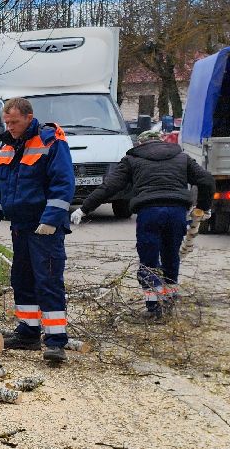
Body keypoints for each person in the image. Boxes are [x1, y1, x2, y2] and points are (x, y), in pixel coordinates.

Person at [72, 127, 214, 318]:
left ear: (140, 144)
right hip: (176, 211)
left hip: (150, 212)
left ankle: (154, 308)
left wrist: (84, 208)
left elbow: (110, 186)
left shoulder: (132, 159)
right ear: (162, 141)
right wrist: (203, 207)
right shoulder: (182, 157)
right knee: (171, 256)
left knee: (149, 261)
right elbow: (206, 179)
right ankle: (169, 302)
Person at [0, 97, 75, 365]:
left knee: (48, 281)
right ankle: (28, 333)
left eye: (14, 122)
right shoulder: (8, 144)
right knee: (22, 280)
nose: (10, 127)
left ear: (29, 118)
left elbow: (63, 183)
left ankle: (55, 342)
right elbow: (0, 189)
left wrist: (51, 219)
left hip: (45, 228)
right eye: (7, 122)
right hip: (20, 227)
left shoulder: (51, 141)